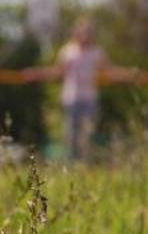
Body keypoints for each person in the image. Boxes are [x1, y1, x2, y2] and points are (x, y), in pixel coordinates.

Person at [46, 17, 112, 162]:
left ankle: (86, 164)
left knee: (88, 134)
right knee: (71, 134)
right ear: (76, 33)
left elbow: (109, 71)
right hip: (71, 99)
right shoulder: (67, 52)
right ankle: (72, 164)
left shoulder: (97, 52)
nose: (85, 35)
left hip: (90, 99)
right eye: (82, 32)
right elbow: (58, 72)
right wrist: (36, 74)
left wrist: (131, 74)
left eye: (88, 32)